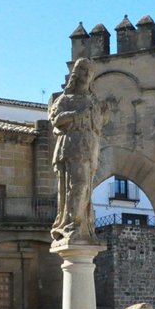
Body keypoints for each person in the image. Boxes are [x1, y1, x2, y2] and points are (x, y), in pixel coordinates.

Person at [49, 58, 103, 245]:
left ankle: (83, 226)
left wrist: (102, 114)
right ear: (77, 75)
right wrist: (75, 114)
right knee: (76, 184)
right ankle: (71, 223)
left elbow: (98, 125)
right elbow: (56, 120)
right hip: (71, 145)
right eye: (84, 72)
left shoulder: (93, 100)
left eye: (90, 73)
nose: (87, 76)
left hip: (89, 146)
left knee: (86, 187)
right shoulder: (65, 99)